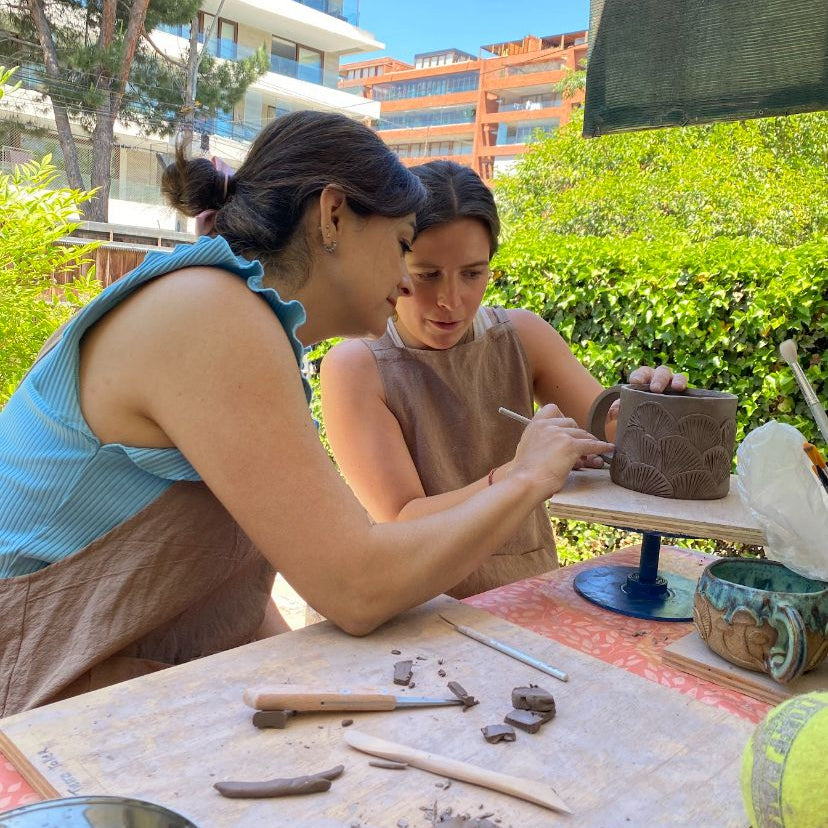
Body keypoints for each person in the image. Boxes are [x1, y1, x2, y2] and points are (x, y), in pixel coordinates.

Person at [0, 114, 614, 716]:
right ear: (333, 215)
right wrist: (526, 476)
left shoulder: (228, 310)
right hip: (33, 687)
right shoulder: (212, 313)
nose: (406, 282)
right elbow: (356, 587)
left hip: (98, 676)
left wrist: (307, 687)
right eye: (403, 246)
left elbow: (232, 599)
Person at [320, 160, 685, 599]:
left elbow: (610, 434)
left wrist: (654, 404)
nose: (451, 300)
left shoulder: (522, 335)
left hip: (526, 590)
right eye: (427, 275)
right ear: (392, 263)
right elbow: (401, 519)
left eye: (472, 273)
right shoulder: (357, 365)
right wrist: (521, 473)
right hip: (410, 605)